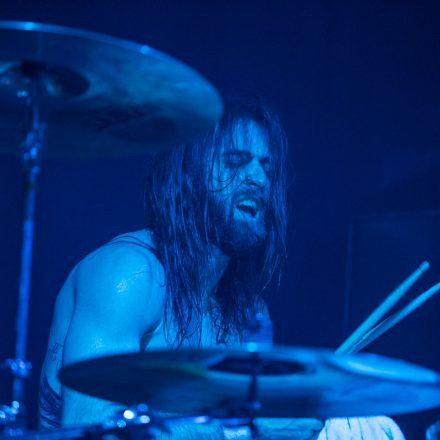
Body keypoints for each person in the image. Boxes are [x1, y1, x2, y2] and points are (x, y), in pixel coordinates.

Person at [39, 99, 405, 439]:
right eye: (236, 160)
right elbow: (89, 429)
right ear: (188, 173)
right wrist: (248, 429)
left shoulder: (247, 312)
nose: (259, 179)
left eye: (266, 167)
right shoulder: (128, 274)